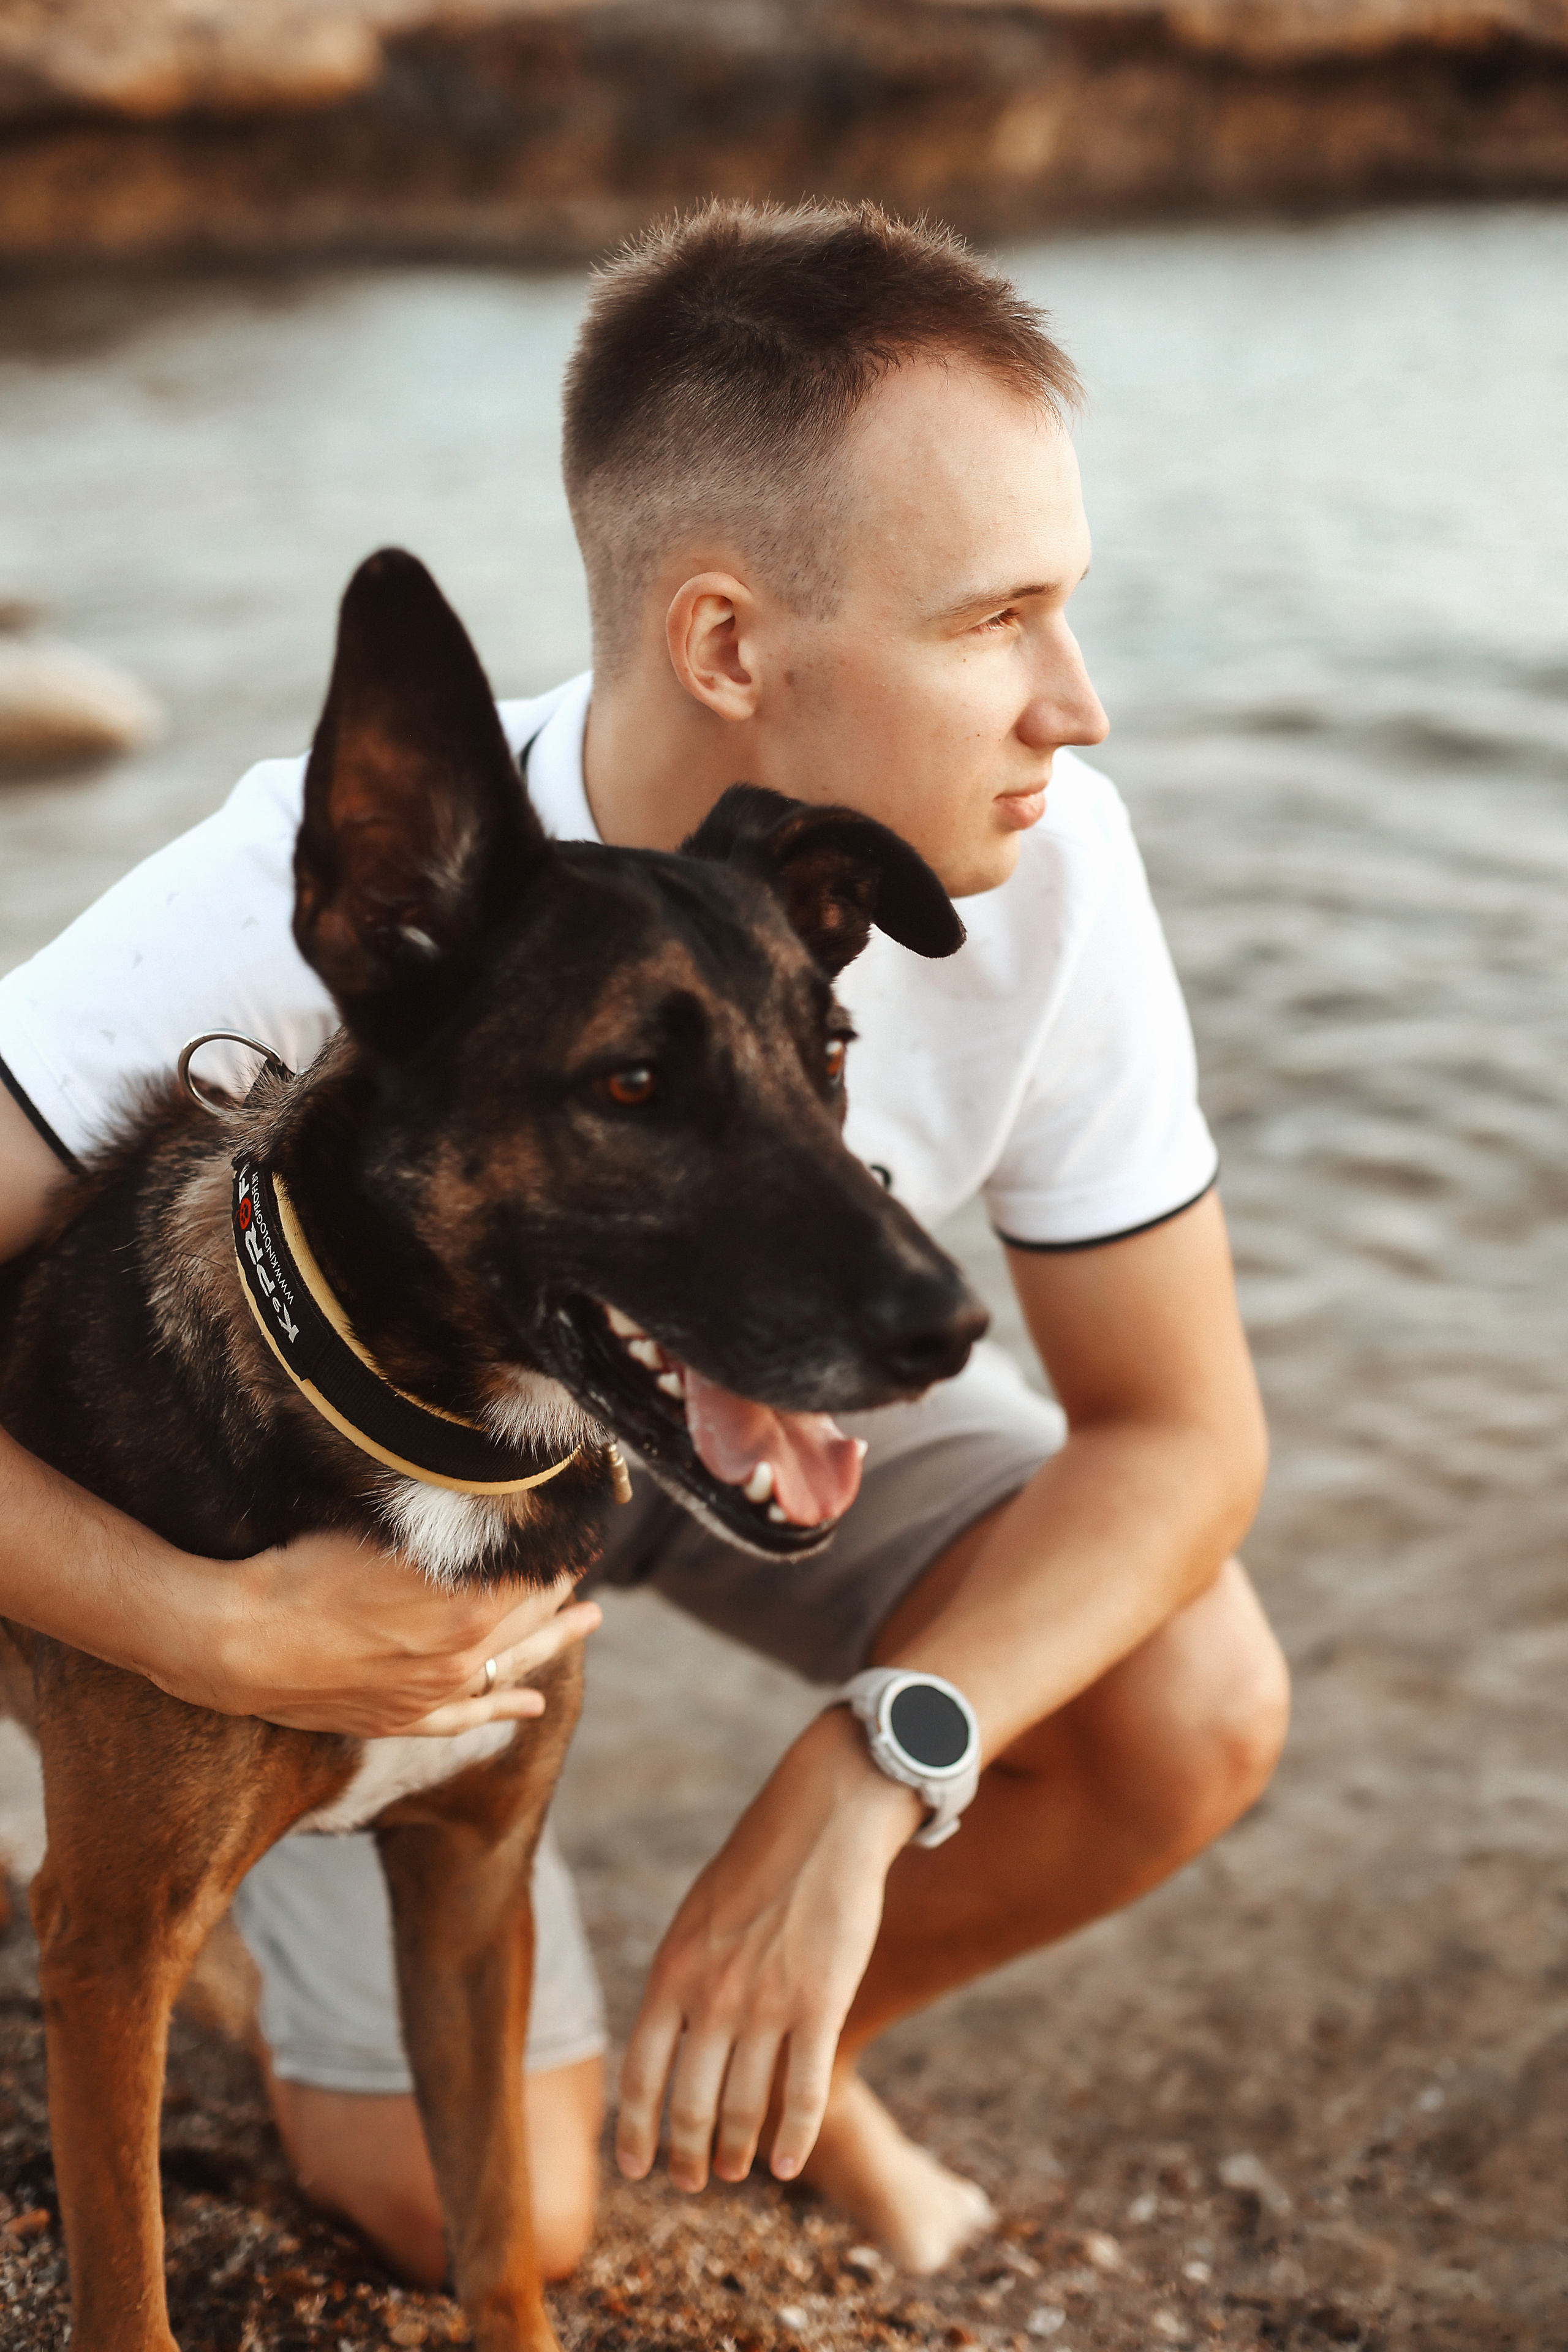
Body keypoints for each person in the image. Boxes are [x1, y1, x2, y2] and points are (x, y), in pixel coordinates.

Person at [0, 199, 1284, 2285]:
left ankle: (785, 2047)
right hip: (303, 1502)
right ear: (727, 646)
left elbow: (1184, 1437)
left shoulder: (1044, 869)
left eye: (1071, 611)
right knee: (475, 2212)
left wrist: (874, 1768)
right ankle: (191, 1876)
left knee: (1195, 1694)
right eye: (999, 620)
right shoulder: (314, 905)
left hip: (725, 1398)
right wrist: (193, 1633)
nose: (1080, 706)